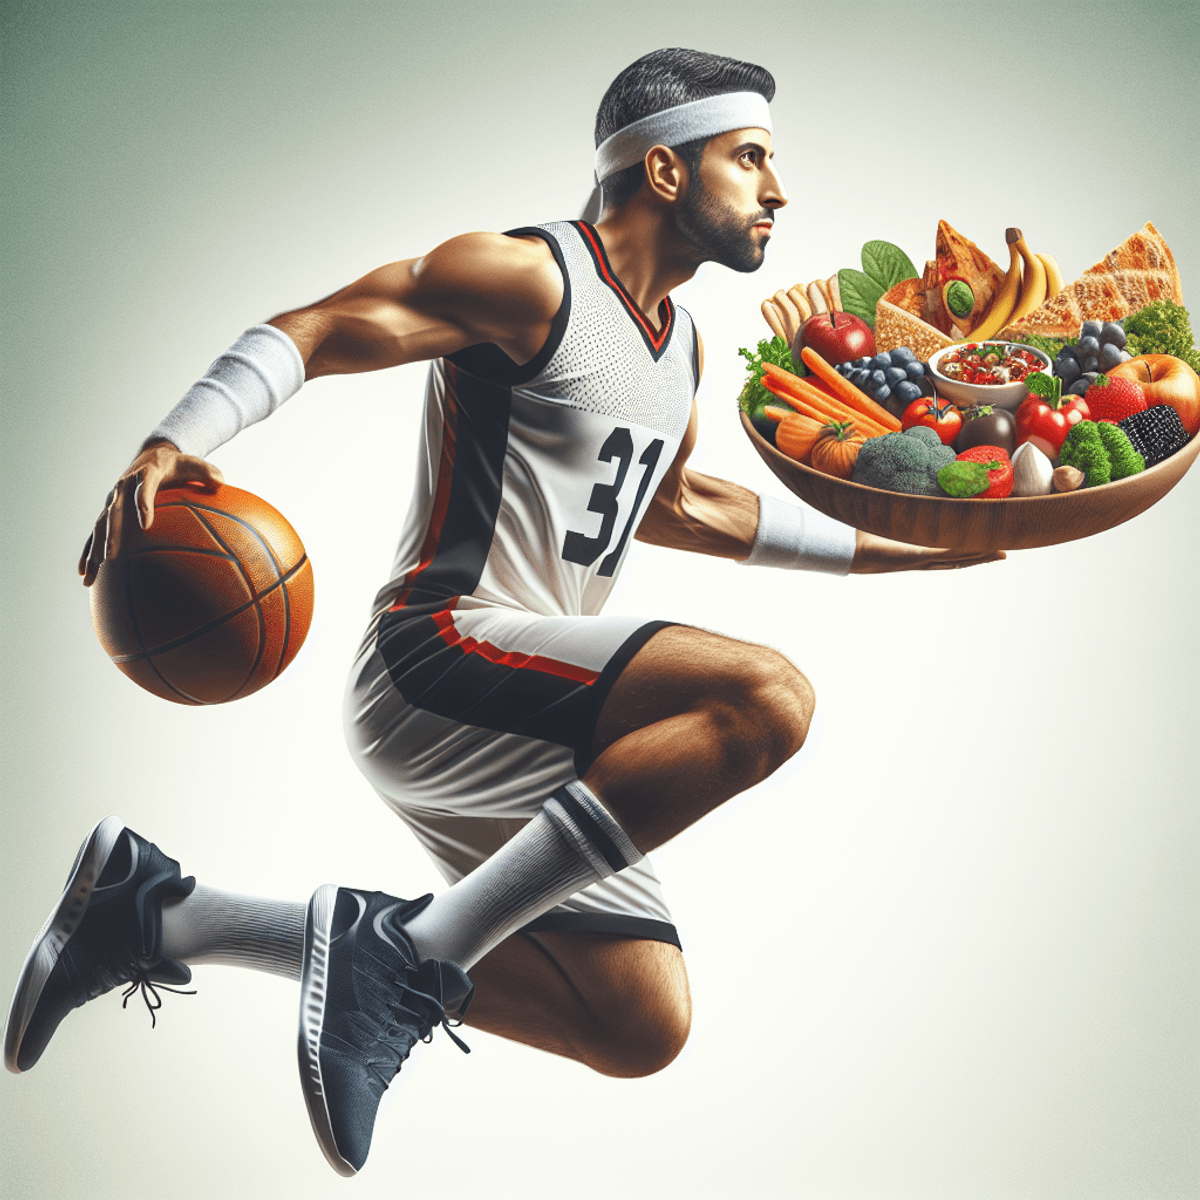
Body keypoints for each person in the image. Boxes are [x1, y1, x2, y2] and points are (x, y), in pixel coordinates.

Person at [3, 48, 1002, 1177]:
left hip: (527, 714)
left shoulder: (681, 349)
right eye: (753, 157)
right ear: (664, 170)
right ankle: (414, 955)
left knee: (637, 1021)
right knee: (766, 698)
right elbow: (332, 324)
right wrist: (177, 436)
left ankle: (158, 913)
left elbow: (680, 506)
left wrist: (913, 549)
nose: (780, 189)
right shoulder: (533, 278)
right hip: (438, 651)